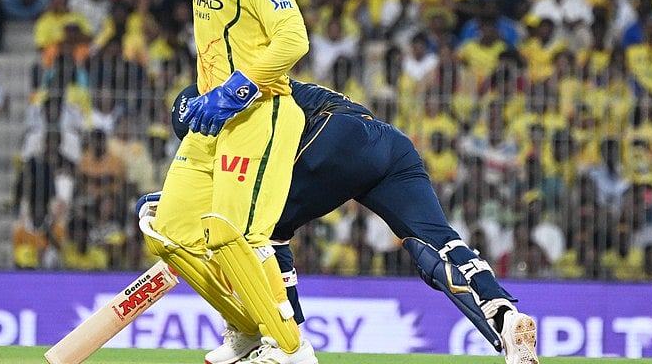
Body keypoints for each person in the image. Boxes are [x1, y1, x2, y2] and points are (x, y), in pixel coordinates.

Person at [111, 0, 313, 364]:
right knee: (168, 232)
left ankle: (290, 347)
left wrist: (235, 89)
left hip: (260, 114)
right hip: (212, 123)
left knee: (234, 234)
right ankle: (246, 328)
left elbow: (293, 40)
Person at [144, 80, 539, 364]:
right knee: (435, 243)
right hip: (387, 143)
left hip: (334, 135)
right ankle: (504, 316)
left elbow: (236, 188)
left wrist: (177, 202)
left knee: (260, 230)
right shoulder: (251, 84)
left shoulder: (237, 113)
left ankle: (289, 345)